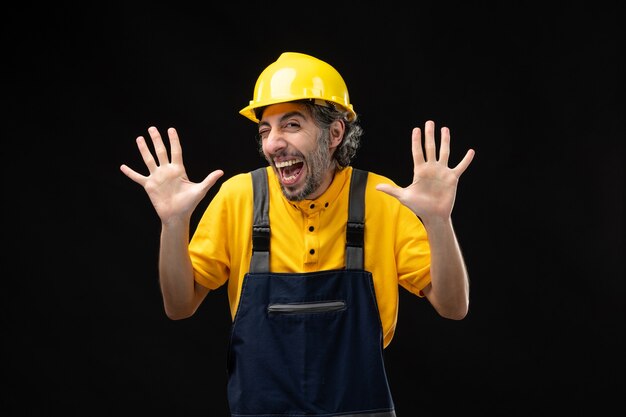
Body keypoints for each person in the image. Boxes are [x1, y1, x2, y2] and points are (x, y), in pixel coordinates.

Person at [120, 52, 475, 417]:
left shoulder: (380, 199)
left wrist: (438, 221)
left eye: (291, 125)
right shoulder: (240, 197)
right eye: (265, 129)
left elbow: (452, 306)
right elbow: (179, 306)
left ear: (335, 132)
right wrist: (173, 223)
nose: (273, 143)